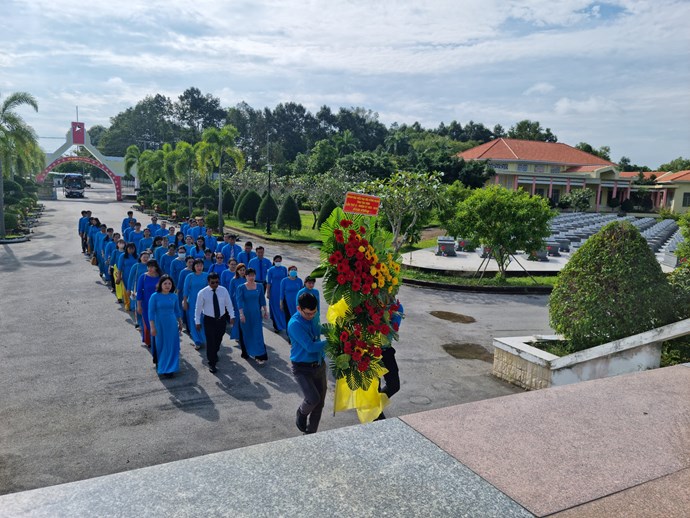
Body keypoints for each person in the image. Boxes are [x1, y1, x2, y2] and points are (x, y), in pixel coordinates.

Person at [288, 292, 328, 434]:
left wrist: (333, 331)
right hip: (302, 368)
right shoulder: (295, 324)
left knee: (319, 404)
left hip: (319, 365)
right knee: (312, 398)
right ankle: (301, 413)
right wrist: (330, 342)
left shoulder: (313, 316)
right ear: (299, 309)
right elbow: (310, 346)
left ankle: (311, 434)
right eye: (308, 314)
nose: (311, 316)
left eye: (314, 313)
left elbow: (319, 329)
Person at [195, 273, 234, 373]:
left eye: (217, 282)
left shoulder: (223, 290)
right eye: (212, 282)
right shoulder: (202, 293)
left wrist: (232, 316)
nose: (215, 284)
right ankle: (212, 363)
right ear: (208, 282)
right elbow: (198, 308)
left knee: (218, 338)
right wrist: (197, 321)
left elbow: (228, 304)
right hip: (209, 320)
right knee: (211, 341)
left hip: (221, 319)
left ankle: (214, 352)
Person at [148, 274, 184, 377]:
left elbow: (177, 311)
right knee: (162, 346)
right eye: (165, 283)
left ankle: (171, 369)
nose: (167, 285)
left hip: (172, 324)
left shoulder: (174, 296)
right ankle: (163, 367)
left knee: (172, 345)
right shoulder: (154, 296)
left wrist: (180, 323)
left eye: (169, 283)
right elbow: (151, 313)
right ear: (160, 284)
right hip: (159, 324)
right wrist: (152, 327)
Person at [376, 300, 404, 421]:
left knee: (394, 384)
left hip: (386, 350)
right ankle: (375, 412)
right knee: (373, 388)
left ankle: (375, 405)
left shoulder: (398, 307)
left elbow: (391, 332)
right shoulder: (371, 303)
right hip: (369, 351)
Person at [236, 267, 268, 363]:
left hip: (256, 314)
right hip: (245, 314)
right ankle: (246, 352)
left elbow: (262, 299)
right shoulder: (241, 287)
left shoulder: (259, 286)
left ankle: (260, 355)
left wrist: (265, 311)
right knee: (247, 334)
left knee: (257, 334)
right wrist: (241, 314)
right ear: (245, 276)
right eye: (249, 275)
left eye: (253, 275)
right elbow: (239, 301)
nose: (251, 277)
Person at [183, 259, 208, 350]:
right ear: (194, 266)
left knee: (203, 320)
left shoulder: (206, 275)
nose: (199, 267)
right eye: (197, 265)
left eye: (201, 265)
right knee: (193, 320)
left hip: (204, 301)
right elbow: (185, 290)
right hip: (193, 301)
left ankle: (204, 338)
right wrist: (185, 301)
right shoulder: (189, 276)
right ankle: (197, 341)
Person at [137, 259, 162, 348]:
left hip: (159, 304)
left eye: (152, 266)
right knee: (148, 323)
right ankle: (151, 340)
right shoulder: (143, 277)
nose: (150, 268)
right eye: (148, 266)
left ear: (156, 267)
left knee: (158, 323)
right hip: (146, 304)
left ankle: (157, 341)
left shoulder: (161, 277)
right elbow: (139, 292)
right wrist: (139, 305)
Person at [128, 251, 151, 328]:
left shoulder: (151, 266)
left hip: (149, 290)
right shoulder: (136, 266)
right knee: (138, 306)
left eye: (147, 257)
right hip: (138, 290)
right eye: (144, 257)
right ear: (140, 257)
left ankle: (147, 322)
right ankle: (139, 322)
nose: (145, 259)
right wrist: (128, 289)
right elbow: (130, 278)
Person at [265, 255, 288, 332]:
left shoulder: (284, 269)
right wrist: (268, 292)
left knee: (282, 308)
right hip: (274, 291)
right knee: (275, 308)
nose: (278, 262)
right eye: (276, 261)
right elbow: (268, 282)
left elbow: (286, 280)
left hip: (282, 291)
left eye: (279, 261)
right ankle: (276, 326)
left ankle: (283, 324)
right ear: (274, 261)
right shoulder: (270, 270)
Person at [226, 263, 246, 345]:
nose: (242, 272)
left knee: (245, 318)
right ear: (237, 271)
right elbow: (231, 293)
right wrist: (230, 304)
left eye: (243, 270)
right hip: (236, 301)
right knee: (237, 318)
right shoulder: (233, 280)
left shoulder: (247, 279)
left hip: (246, 301)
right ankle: (237, 335)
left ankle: (245, 334)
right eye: (240, 270)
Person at [117, 243, 138, 311]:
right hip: (126, 275)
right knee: (127, 290)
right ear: (127, 249)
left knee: (134, 290)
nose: (131, 250)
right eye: (130, 248)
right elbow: (119, 268)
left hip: (135, 276)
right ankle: (128, 303)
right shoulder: (123, 256)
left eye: (133, 248)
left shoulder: (137, 256)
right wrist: (118, 277)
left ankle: (132, 305)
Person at [176, 256, 196, 332]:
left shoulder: (197, 271)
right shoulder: (183, 272)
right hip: (184, 293)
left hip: (194, 294)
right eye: (189, 262)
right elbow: (180, 283)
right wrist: (178, 293)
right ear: (186, 263)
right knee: (186, 311)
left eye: (192, 262)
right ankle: (188, 327)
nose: (191, 264)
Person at [109, 237, 126, 302]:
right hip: (116, 268)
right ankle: (119, 297)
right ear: (117, 244)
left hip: (124, 268)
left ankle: (124, 295)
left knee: (124, 283)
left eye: (122, 243)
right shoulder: (115, 251)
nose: (121, 244)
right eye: (120, 243)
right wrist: (110, 267)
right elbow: (112, 260)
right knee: (118, 282)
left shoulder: (126, 252)